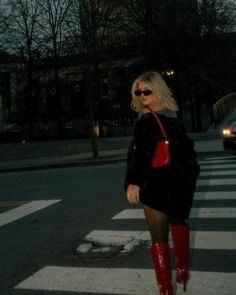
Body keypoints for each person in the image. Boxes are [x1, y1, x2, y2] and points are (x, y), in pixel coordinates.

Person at [124, 71, 200, 295]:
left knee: (158, 238)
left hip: (156, 184)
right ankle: (183, 273)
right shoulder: (172, 116)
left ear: (158, 91)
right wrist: (189, 175)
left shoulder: (146, 120)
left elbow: (143, 155)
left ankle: (166, 290)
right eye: (138, 91)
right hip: (178, 183)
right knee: (178, 223)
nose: (142, 95)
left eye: (147, 91)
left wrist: (134, 182)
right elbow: (189, 152)